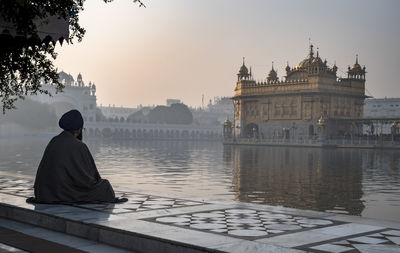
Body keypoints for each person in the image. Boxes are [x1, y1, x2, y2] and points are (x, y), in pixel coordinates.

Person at [28, 109, 127, 204]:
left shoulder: (54, 140)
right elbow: (90, 177)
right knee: (105, 186)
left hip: (45, 193)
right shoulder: (79, 146)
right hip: (63, 192)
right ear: (78, 129)